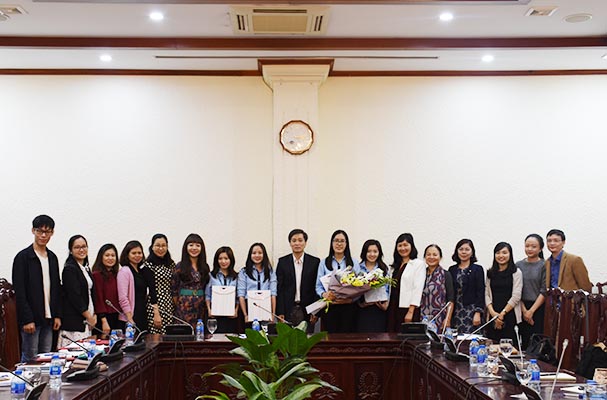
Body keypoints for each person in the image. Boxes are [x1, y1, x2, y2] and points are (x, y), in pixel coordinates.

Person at [12, 215, 62, 362]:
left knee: (46, 359)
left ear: (52, 233)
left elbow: (56, 288)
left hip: (49, 319)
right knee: (30, 359)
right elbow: (20, 291)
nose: (43, 235)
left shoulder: (52, 258)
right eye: (40, 231)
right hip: (31, 319)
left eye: (47, 232)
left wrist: (57, 315)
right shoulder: (23, 257)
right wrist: (27, 319)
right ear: (33, 231)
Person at [276, 229, 321, 332]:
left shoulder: (314, 262)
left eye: (300, 240)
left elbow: (317, 288)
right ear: (290, 243)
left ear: (305, 243)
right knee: (287, 339)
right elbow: (280, 288)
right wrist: (280, 312)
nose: (297, 243)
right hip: (288, 309)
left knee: (307, 339)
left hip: (308, 310)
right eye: (294, 240)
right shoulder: (283, 262)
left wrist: (316, 312)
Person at [315, 229, 360, 333]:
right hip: (330, 308)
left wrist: (351, 300)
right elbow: (318, 286)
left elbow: (360, 286)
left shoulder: (354, 262)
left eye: (342, 241)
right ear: (332, 243)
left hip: (349, 308)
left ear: (346, 244)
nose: (339, 244)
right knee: (331, 338)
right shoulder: (324, 263)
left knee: (348, 339)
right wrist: (324, 294)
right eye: (336, 241)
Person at [59, 235, 96, 347]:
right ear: (71, 250)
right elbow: (74, 296)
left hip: (87, 318)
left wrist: (93, 315)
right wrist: (88, 316)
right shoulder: (69, 269)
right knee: (76, 353)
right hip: (75, 321)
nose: (81, 250)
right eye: (77, 247)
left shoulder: (85, 268)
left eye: (84, 246)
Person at [117, 240, 160, 331]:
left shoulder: (141, 271)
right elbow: (123, 298)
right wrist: (129, 318)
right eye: (133, 253)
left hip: (142, 313)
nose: (137, 255)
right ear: (127, 255)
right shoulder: (124, 271)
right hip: (130, 316)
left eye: (139, 253)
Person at [485, 242, 522, 342]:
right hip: (493, 314)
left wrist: (502, 314)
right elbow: (486, 294)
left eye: (504, 253)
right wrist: (493, 313)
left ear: (510, 254)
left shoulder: (516, 272)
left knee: (509, 346)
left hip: (510, 314)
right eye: (498, 253)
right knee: (491, 346)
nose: (501, 255)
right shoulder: (490, 273)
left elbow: (516, 296)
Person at [388, 233, 425, 332]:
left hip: (407, 308)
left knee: (406, 337)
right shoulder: (395, 266)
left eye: (405, 245)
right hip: (393, 306)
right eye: (400, 245)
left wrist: (410, 311)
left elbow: (417, 289)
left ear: (411, 246)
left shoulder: (418, 264)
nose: (402, 248)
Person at [172, 234, 210, 326]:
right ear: (186, 247)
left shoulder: (205, 266)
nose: (194, 248)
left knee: (200, 331)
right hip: (184, 307)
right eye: (191, 245)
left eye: (197, 245)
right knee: (184, 331)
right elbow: (174, 290)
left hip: (201, 307)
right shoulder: (179, 266)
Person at [448, 239, 485, 334]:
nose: (464, 252)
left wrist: (478, 312)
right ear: (457, 251)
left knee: (472, 339)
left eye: (467, 249)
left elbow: (481, 292)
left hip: (471, 311)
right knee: (456, 338)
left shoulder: (477, 269)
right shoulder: (452, 270)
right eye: (461, 249)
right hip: (456, 311)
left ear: (472, 252)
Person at [516, 234, 547, 348]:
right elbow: (516, 289)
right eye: (527, 246)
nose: (529, 249)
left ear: (540, 248)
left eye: (533, 246)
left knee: (536, 343)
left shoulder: (544, 265)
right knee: (522, 341)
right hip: (520, 306)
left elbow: (544, 290)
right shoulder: (518, 265)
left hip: (538, 308)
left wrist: (531, 311)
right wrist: (524, 311)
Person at [142, 234, 175, 334]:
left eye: (163, 245)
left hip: (169, 303)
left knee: (169, 334)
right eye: (157, 245)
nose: (161, 248)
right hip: (155, 304)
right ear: (152, 247)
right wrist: (156, 312)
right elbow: (151, 289)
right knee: (156, 335)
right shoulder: (148, 264)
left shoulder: (171, 264)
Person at [355, 239, 390, 333]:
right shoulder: (358, 268)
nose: (372, 254)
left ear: (379, 253)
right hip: (362, 309)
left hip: (379, 308)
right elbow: (353, 288)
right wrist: (360, 303)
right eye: (369, 251)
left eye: (375, 251)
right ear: (364, 253)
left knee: (379, 337)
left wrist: (386, 304)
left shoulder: (383, 269)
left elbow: (387, 288)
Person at [237, 243, 277, 323]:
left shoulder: (270, 272)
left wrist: (273, 314)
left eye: (260, 253)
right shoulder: (244, 272)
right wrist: (245, 315)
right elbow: (241, 295)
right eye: (254, 253)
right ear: (250, 255)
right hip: (249, 306)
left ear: (264, 255)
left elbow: (273, 294)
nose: (257, 255)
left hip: (266, 306)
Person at [92, 243, 125, 336]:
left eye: (113, 255)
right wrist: (104, 320)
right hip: (103, 318)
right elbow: (98, 299)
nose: (110, 258)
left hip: (116, 315)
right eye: (107, 255)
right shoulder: (96, 275)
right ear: (101, 257)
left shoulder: (116, 274)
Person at [420, 244, 454, 331]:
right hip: (422, 317)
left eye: (435, 255)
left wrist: (447, 319)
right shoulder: (420, 274)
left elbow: (450, 300)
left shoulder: (446, 275)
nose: (431, 257)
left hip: (440, 318)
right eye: (428, 254)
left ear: (440, 257)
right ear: (424, 257)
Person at [205, 246, 238, 333]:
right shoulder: (211, 276)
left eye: (226, 258)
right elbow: (207, 295)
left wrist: (236, 310)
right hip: (215, 315)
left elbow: (238, 296)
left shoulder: (236, 277)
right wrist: (209, 310)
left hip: (231, 316)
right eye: (220, 259)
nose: (223, 261)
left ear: (231, 260)